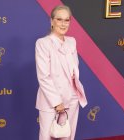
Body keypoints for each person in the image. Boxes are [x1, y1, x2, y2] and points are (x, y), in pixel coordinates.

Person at [35, 5, 88, 140]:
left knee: (68, 136)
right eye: (59, 19)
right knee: (47, 137)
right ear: (52, 21)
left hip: (72, 99)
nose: (63, 24)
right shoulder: (43, 43)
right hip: (51, 101)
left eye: (67, 20)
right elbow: (44, 77)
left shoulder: (72, 42)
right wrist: (57, 103)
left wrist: (75, 94)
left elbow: (74, 71)